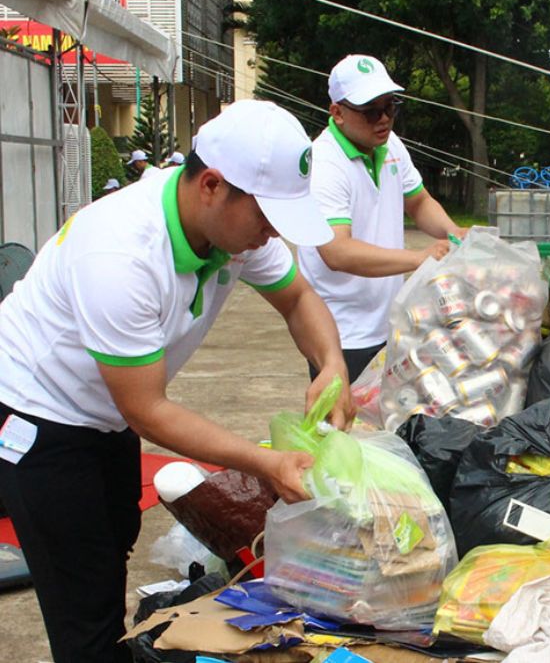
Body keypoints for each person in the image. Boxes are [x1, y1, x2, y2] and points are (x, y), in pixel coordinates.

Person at [0, 99, 354, 662]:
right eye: (266, 218)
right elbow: (149, 409)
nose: (269, 236)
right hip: (41, 420)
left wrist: (332, 364)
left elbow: (299, 298)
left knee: (113, 542)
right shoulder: (122, 251)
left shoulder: (232, 230)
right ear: (212, 185)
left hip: (106, 414)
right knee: (84, 613)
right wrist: (267, 463)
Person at [297, 54, 467, 382]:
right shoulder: (326, 164)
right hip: (341, 334)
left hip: (388, 325)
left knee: (386, 427)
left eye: (390, 107)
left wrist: (452, 230)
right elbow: (337, 252)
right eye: (372, 111)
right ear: (338, 113)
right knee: (344, 431)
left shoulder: (390, 147)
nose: (384, 119)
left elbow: (418, 202)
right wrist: (419, 257)